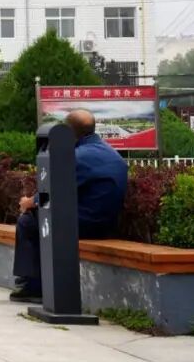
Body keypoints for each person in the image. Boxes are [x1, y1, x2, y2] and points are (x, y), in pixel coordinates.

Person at [10, 109, 128, 302]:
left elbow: (52, 191)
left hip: (82, 225)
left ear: (68, 132)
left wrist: (29, 203)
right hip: (108, 226)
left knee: (28, 222)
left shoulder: (75, 156)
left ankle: (31, 285)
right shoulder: (113, 155)